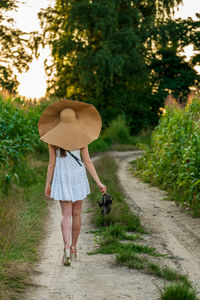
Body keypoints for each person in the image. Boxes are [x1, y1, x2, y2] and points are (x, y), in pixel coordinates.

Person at [38, 99, 106, 266]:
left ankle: (66, 248)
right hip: (78, 177)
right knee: (76, 214)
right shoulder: (82, 136)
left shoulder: (52, 139)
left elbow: (51, 163)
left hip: (62, 177)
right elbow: (88, 162)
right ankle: (74, 248)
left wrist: (48, 184)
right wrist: (99, 182)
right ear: (75, 120)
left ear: (60, 121)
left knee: (65, 215)